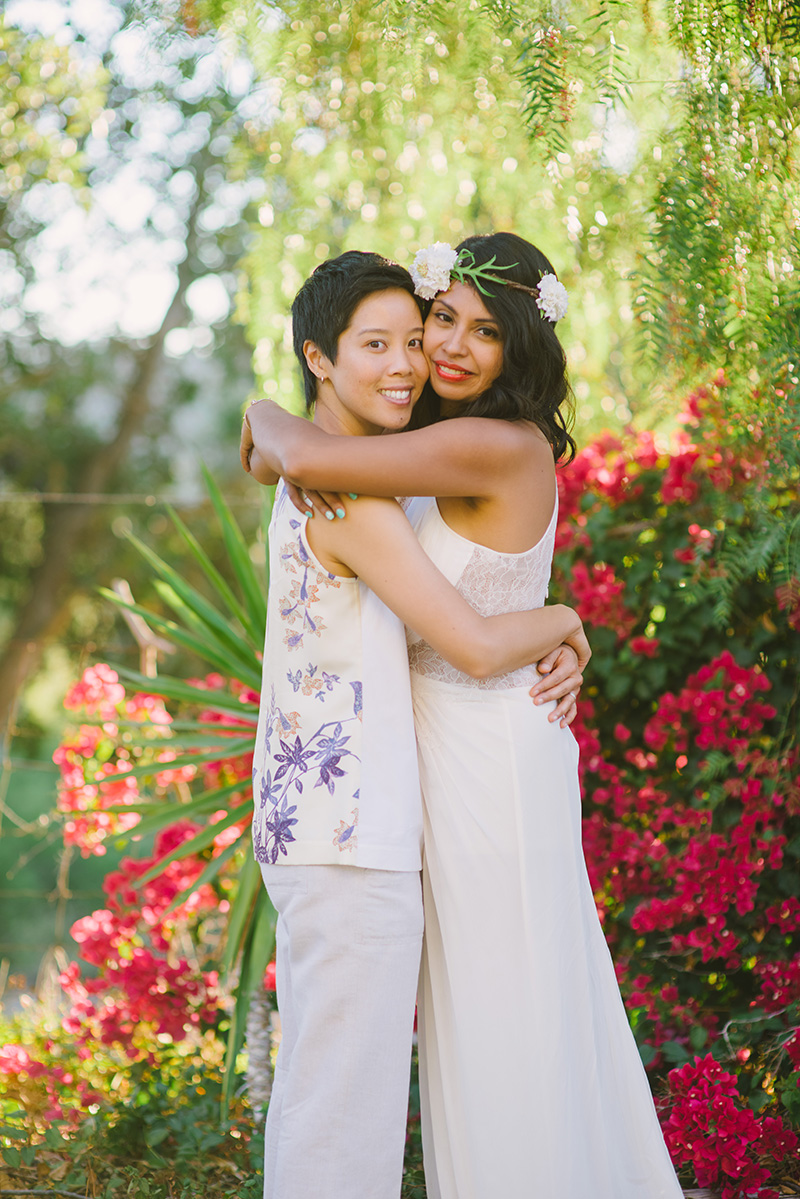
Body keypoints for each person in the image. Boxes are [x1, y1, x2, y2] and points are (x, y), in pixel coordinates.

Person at [243, 233, 684, 1199]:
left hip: (485, 755)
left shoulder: (482, 445)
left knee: (509, 1020)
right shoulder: (396, 462)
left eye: (483, 332)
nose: (441, 349)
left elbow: (303, 448)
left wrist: (267, 410)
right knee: (469, 1033)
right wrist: (561, 618)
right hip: (417, 771)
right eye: (440, 318)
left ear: (522, 348)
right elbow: (305, 449)